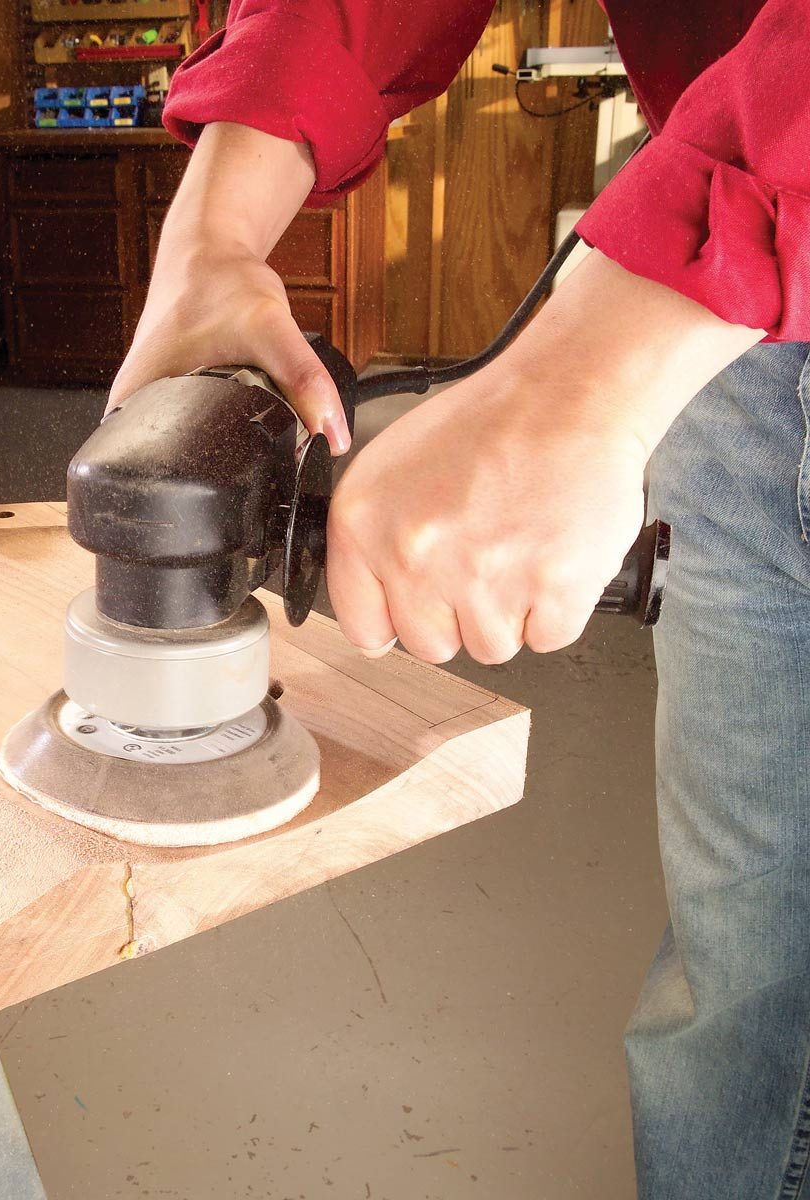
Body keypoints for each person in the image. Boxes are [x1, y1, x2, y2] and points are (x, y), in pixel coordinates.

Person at [108, 2, 810, 1196]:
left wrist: (578, 377)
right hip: (734, 302)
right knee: (751, 951)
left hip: (727, 254)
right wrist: (213, 236)